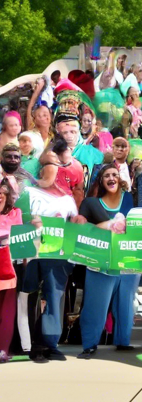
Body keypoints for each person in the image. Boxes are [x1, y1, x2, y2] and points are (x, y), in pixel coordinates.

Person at [21, 148, 78, 362]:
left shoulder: (67, 200)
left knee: (54, 299)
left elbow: (73, 227)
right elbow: (19, 220)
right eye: (47, 168)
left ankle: (50, 344)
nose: (51, 174)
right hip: (32, 254)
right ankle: (30, 344)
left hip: (57, 256)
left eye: (55, 169)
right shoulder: (28, 193)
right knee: (30, 298)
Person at [76, 164, 138, 359]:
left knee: (125, 304)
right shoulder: (90, 203)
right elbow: (83, 229)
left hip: (128, 260)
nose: (111, 178)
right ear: (101, 181)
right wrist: (111, 225)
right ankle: (89, 344)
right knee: (96, 304)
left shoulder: (129, 199)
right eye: (107, 176)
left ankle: (122, 341)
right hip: (99, 261)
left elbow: (137, 226)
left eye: (115, 175)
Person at [0, 179, 22, 362]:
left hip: (8, 269)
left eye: (2, 192)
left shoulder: (15, 213)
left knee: (7, 312)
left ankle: (3, 350)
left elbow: (20, 238)